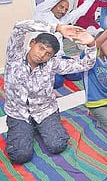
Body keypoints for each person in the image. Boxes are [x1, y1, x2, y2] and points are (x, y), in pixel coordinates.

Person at [4, 20, 96, 164]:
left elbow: (85, 64)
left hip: (45, 111)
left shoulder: (52, 64)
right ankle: (28, 129)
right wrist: (58, 28)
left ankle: (40, 127)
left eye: (48, 54)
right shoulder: (14, 57)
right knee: (20, 155)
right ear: (32, 43)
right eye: (41, 48)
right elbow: (19, 27)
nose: (42, 55)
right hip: (18, 113)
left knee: (57, 145)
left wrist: (91, 45)